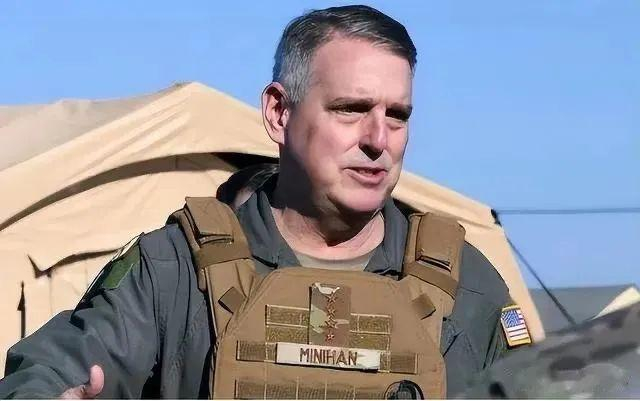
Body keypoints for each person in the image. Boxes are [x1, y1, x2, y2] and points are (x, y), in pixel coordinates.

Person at [0, 5, 517, 399]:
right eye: (350, 109)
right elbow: (49, 369)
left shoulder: (466, 285)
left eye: (397, 115)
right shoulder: (176, 271)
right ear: (278, 113)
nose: (378, 139)